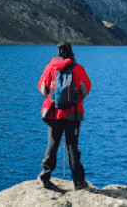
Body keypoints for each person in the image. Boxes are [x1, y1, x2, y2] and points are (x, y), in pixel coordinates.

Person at [37, 42, 91, 191]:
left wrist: (54, 97)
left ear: (58, 52)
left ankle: (45, 177)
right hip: (73, 114)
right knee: (72, 147)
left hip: (54, 113)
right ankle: (78, 182)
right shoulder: (78, 68)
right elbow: (86, 90)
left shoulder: (50, 67)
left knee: (52, 145)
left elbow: (42, 87)